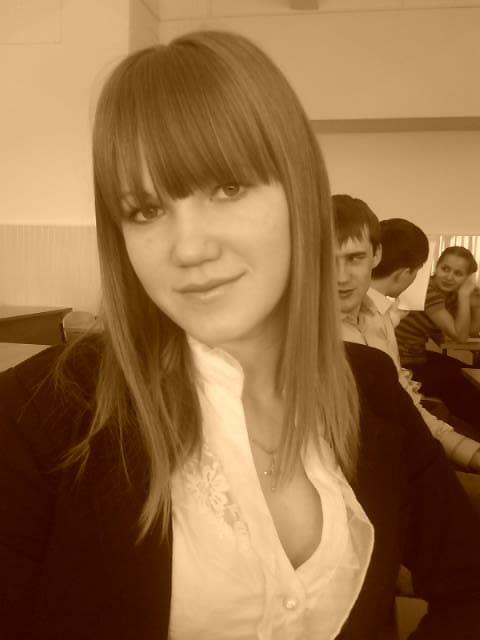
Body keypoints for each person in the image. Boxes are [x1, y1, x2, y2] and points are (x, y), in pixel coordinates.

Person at [1, 31, 480, 640]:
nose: (189, 248)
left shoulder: (371, 390)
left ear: (300, 198)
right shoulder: (38, 418)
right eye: (145, 210)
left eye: (227, 188)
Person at [332, 195, 480, 504]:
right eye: (326, 259)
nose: (341, 276)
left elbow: (406, 407)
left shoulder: (379, 319)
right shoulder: (306, 335)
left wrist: (470, 452)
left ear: (376, 256)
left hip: (407, 455)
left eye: (355, 258)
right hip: (362, 483)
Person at [395, 244, 480, 428]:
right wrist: (464, 296)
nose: (449, 277)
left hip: (416, 355)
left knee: (466, 372)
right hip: (402, 362)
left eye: (458, 273)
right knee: (461, 382)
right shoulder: (429, 290)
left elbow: (472, 331)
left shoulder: (449, 293)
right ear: (436, 266)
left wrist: (474, 305)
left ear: (467, 278)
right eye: (445, 269)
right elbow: (460, 336)